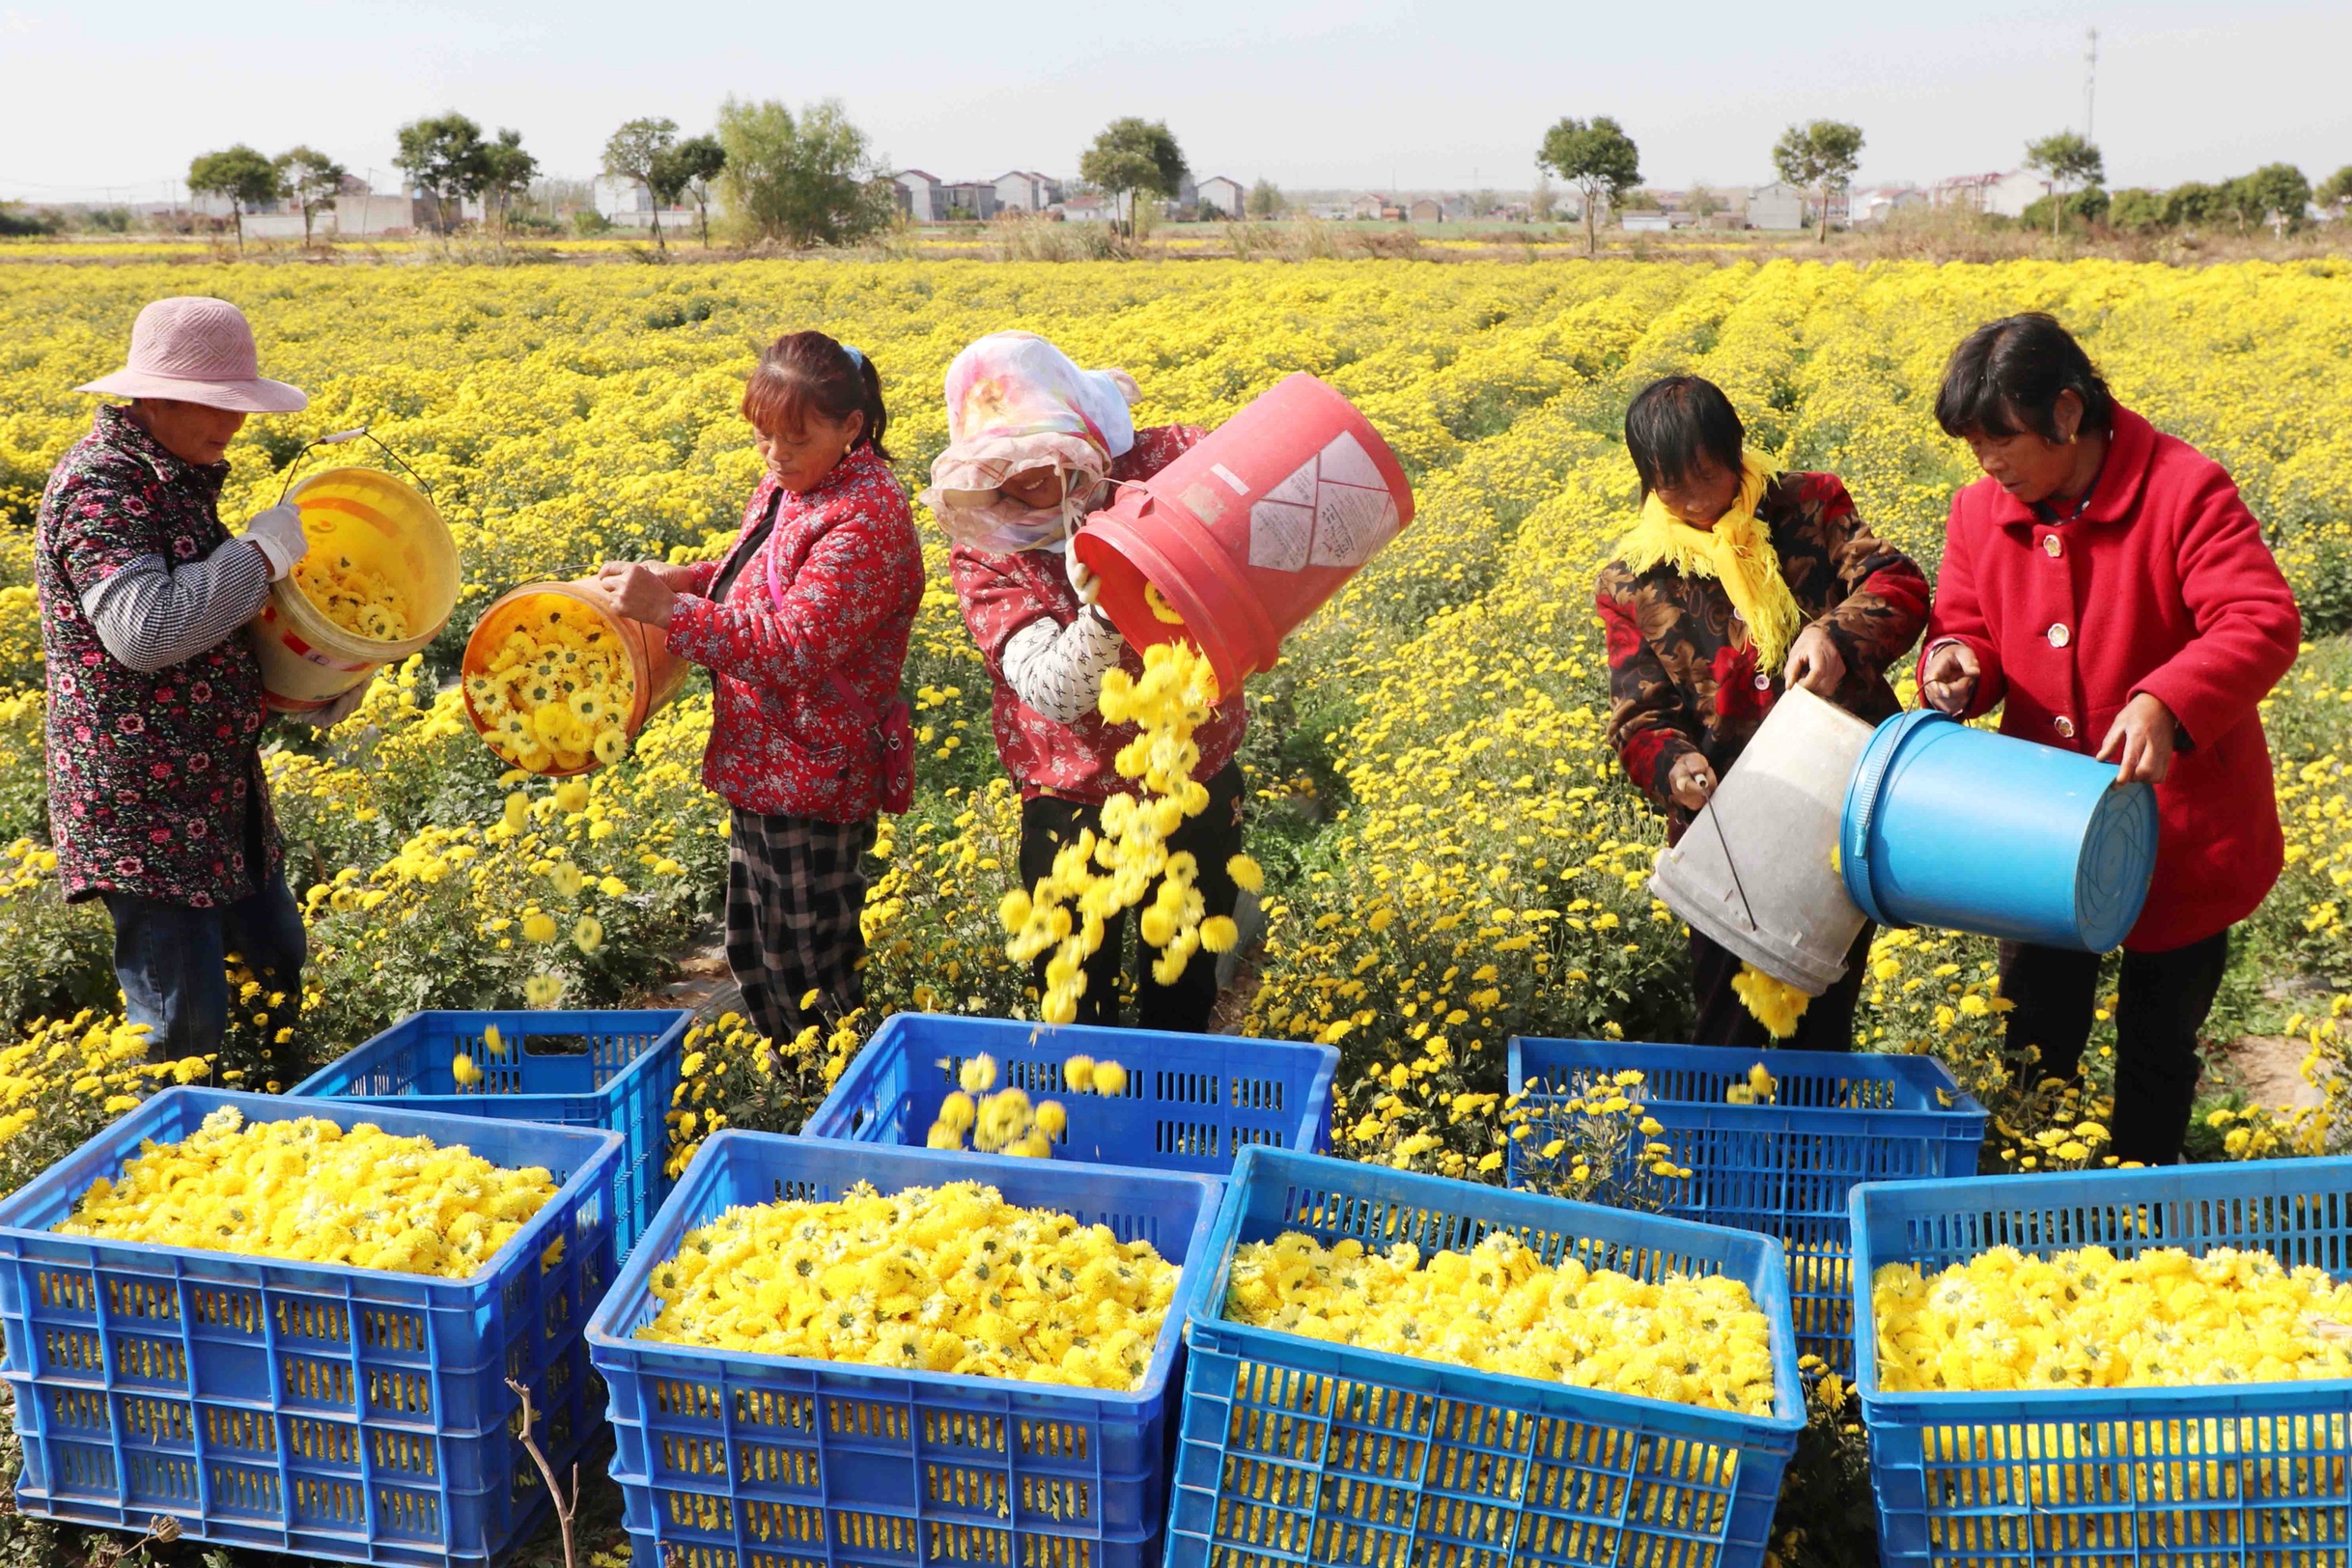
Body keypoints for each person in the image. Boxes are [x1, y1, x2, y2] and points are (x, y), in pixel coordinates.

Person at [1919, 313, 2300, 1165]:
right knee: (2034, 1033)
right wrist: (1956, 666)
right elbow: (1965, 627)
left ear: (2065, 412)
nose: (1988, 462)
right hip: (2042, 829)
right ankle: (2021, 1206)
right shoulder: (1981, 513)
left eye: (2001, 439)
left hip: (2186, 828)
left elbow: (2261, 618)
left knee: (2159, 1043)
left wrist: (2168, 700)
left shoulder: (2182, 488)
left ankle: (2140, 1213)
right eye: (1973, 444)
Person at [37, 295, 350, 1061]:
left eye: (239, 406)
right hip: (147, 808)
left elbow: (216, 630)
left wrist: (316, 683)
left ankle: (274, 1123)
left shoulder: (177, 476)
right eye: (217, 405)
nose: (234, 424)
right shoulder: (103, 487)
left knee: (275, 965)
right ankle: (175, 1156)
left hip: (218, 794)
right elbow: (145, 632)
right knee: (184, 1024)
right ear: (152, 396)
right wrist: (257, 555)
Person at [600, 332, 922, 1044]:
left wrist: (669, 612)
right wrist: (687, 581)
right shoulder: (800, 484)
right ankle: (799, 1093)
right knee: (758, 955)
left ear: (851, 428)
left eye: (795, 438)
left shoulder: (865, 516)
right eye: (762, 437)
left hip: (813, 771)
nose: (776, 455)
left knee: (810, 974)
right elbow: (768, 574)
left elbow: (797, 646)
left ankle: (832, 1107)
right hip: (765, 760)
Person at [1596, 374, 1929, 1050]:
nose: (1694, 501)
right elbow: (1639, 714)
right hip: (1724, 832)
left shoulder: (1808, 505)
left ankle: (1809, 1153)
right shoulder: (1634, 579)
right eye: (1670, 485)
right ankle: (1727, 1151)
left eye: (1707, 476)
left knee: (1824, 1012)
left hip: (1834, 804)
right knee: (1726, 1027)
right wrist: (1676, 765)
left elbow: (1898, 584)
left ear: (1737, 452)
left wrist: (1836, 635)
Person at [928, 330, 1246, 1033]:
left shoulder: (1162, 463)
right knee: (1075, 989)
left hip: (1191, 769)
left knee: (1184, 978)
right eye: (1004, 466)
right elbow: (1053, 691)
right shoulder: (986, 549)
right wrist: (1109, 609)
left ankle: (1169, 1120)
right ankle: (1082, 1126)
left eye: (1044, 453)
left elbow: (1255, 502)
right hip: (1069, 793)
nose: (1029, 479)